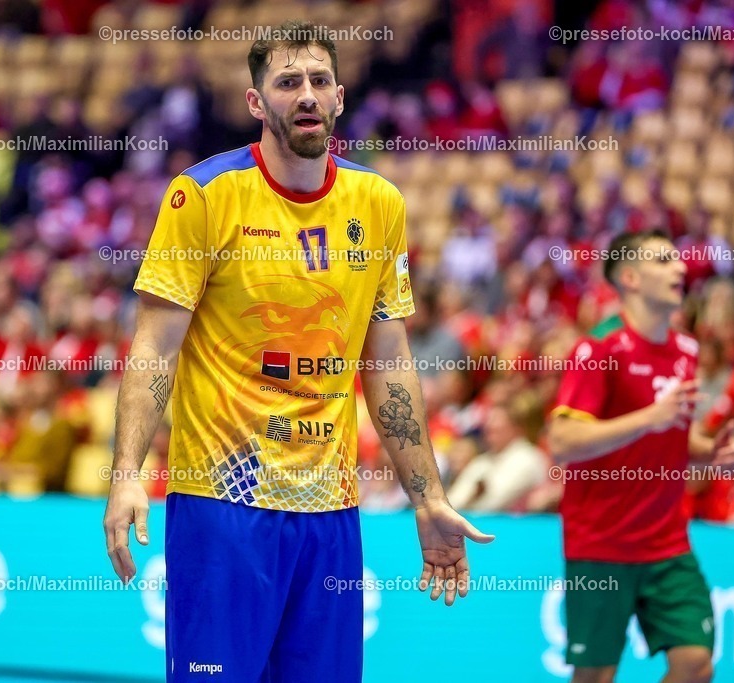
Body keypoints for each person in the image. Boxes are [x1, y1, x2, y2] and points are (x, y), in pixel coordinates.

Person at [101, 20, 494, 683]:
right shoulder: (202, 195)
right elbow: (155, 348)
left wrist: (427, 497)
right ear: (257, 103)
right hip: (223, 508)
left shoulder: (378, 203)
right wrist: (125, 471)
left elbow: (389, 363)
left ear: (340, 96)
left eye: (317, 81)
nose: (305, 94)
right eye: (287, 82)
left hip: (331, 511)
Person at [547, 229, 734, 683]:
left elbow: (673, 434)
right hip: (601, 543)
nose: (679, 268)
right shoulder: (598, 349)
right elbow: (563, 440)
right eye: (663, 260)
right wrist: (649, 418)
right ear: (630, 277)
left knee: (695, 663)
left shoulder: (686, 351)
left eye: (678, 260)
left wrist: (710, 451)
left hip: (666, 542)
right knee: (595, 675)